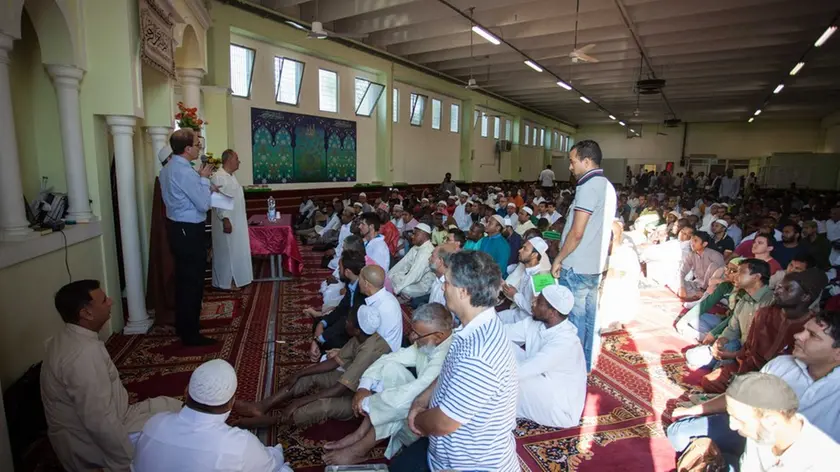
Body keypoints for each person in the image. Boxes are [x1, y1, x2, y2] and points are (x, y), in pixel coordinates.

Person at [390, 251, 517, 471]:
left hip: (468, 464)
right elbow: (449, 372)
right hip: (443, 453)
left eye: (447, 283)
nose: (442, 287)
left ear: (463, 291)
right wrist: (422, 399)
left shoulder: (480, 355)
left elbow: (443, 423)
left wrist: (416, 419)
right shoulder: (473, 326)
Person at [41, 280, 183, 471]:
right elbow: (100, 420)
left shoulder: (69, 337)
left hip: (116, 416)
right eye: (103, 301)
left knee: (175, 407)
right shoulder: (83, 355)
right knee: (178, 435)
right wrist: (127, 463)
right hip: (91, 443)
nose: (111, 302)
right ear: (86, 313)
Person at [668, 312, 840, 465]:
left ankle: (726, 461)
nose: (798, 336)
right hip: (750, 431)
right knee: (678, 433)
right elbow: (740, 397)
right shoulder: (782, 364)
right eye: (803, 330)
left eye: (812, 335)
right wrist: (696, 410)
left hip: (798, 460)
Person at [322, 304, 455, 465]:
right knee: (391, 369)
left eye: (417, 334)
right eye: (412, 331)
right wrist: (364, 387)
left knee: (403, 401)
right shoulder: (429, 341)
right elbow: (390, 358)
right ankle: (360, 434)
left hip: (429, 423)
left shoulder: (447, 355)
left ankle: (361, 447)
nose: (412, 337)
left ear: (439, 336)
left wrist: (367, 403)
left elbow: (414, 395)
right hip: (416, 403)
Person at [236, 307, 391, 428]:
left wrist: (299, 402)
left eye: (348, 321)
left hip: (365, 401)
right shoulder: (362, 335)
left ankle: (273, 420)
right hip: (354, 384)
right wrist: (300, 373)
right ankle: (263, 405)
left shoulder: (369, 350)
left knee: (321, 406)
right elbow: (334, 362)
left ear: (357, 329)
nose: (345, 322)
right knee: (309, 376)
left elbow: (339, 389)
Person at [132, 360, 292, 472]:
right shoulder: (237, 445)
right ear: (232, 403)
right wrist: (276, 450)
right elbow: (272, 464)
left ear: (186, 392)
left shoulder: (154, 424)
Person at [701, 269, 826, 393]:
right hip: (749, 371)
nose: (778, 291)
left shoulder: (812, 328)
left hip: (779, 383)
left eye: (787, 289)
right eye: (779, 287)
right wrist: (736, 366)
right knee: (710, 381)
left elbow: (802, 370)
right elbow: (748, 350)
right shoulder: (764, 314)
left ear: (805, 297)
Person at [551, 140, 617, 371]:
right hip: (593, 264)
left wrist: (558, 259)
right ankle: (585, 365)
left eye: (572, 161)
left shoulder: (588, 186)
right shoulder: (607, 185)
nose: (570, 167)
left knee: (574, 322)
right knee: (590, 319)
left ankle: (573, 370)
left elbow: (577, 232)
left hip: (577, 265)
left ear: (586, 161)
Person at [159, 128, 217, 346]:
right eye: (197, 143)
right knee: (192, 282)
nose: (199, 147)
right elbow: (203, 204)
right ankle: (190, 334)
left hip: (179, 228)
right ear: (187, 149)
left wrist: (204, 183)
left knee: (185, 281)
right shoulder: (183, 171)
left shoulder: (169, 168)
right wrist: (203, 180)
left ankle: (185, 325)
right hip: (188, 229)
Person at [506, 284, 586, 428]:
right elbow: (501, 333)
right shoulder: (537, 323)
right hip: (541, 381)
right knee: (500, 346)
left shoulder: (566, 343)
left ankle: (495, 421)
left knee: (508, 382)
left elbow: (525, 370)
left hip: (560, 407)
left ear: (552, 312)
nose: (533, 301)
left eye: (539, 302)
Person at [726, 373, 839, 471]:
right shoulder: (762, 431)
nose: (732, 426)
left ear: (772, 422)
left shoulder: (825, 464)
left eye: (738, 420)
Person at [684, 259, 774, 369]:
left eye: (741, 272)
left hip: (756, 356)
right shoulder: (743, 300)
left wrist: (734, 354)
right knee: (693, 356)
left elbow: (766, 345)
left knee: (715, 370)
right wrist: (720, 341)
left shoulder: (771, 302)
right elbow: (732, 328)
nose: (736, 275)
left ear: (756, 277)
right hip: (739, 345)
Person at [310, 251, 367, 360]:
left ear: (347, 272)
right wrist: (321, 324)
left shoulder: (363, 291)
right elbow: (341, 310)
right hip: (346, 323)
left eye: (339, 268)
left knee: (330, 339)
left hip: (357, 333)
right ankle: (323, 351)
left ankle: (326, 356)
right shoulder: (352, 285)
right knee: (318, 322)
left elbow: (347, 320)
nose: (338, 271)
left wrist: (320, 339)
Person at [210, 149, 253, 290]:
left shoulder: (231, 176)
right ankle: (226, 283)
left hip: (237, 220)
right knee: (227, 252)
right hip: (227, 222)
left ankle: (238, 278)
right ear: (228, 160)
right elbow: (218, 200)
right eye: (237, 158)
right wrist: (225, 219)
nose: (239, 161)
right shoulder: (219, 177)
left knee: (235, 251)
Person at [498, 237, 549, 324]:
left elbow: (536, 311)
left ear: (534, 255)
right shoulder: (526, 271)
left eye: (525, 249)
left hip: (529, 322)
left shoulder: (541, 278)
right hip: (517, 314)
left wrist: (515, 295)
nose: (520, 250)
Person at [358, 265, 404, 353]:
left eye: (360, 279)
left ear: (366, 284)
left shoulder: (382, 307)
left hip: (382, 355)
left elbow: (375, 343)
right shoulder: (386, 297)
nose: (358, 282)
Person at [389, 223, 436, 303]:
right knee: (393, 277)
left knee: (404, 289)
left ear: (424, 235)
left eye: (415, 234)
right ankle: (405, 297)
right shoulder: (416, 247)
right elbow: (403, 264)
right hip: (414, 278)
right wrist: (389, 276)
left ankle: (406, 297)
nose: (412, 236)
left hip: (424, 285)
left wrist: (397, 289)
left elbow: (415, 274)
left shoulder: (427, 252)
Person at [678, 232, 725, 301]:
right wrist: (682, 287)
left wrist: (705, 288)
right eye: (691, 240)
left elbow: (722, 273)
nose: (692, 243)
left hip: (712, 287)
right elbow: (682, 271)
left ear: (704, 244)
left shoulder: (715, 255)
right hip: (697, 285)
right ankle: (698, 295)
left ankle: (701, 295)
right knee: (679, 283)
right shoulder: (691, 255)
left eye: (695, 241)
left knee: (713, 266)